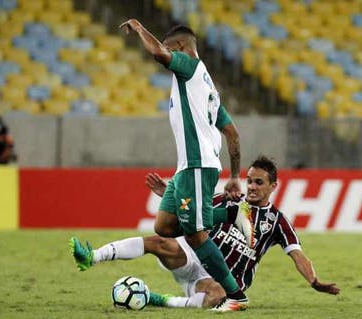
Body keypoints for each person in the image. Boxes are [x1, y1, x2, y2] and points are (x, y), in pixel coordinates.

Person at [71, 156, 340, 311]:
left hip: (220, 281)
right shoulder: (229, 199)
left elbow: (298, 256)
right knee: (160, 242)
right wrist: (169, 196)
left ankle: (159, 300)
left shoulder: (278, 222)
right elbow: (192, 211)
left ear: (273, 186)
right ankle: (92, 256)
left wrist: (314, 282)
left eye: (259, 182)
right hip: (195, 256)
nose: (252, 187)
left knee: (216, 295)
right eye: (249, 180)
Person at [119, 21, 252, 310]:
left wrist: (140, 28)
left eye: (171, 49)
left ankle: (236, 296)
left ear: (179, 47)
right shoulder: (209, 88)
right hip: (187, 168)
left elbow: (156, 53)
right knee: (165, 225)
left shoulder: (189, 66)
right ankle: (230, 213)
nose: (169, 56)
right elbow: (232, 132)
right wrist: (234, 177)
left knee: (195, 234)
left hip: (197, 164)